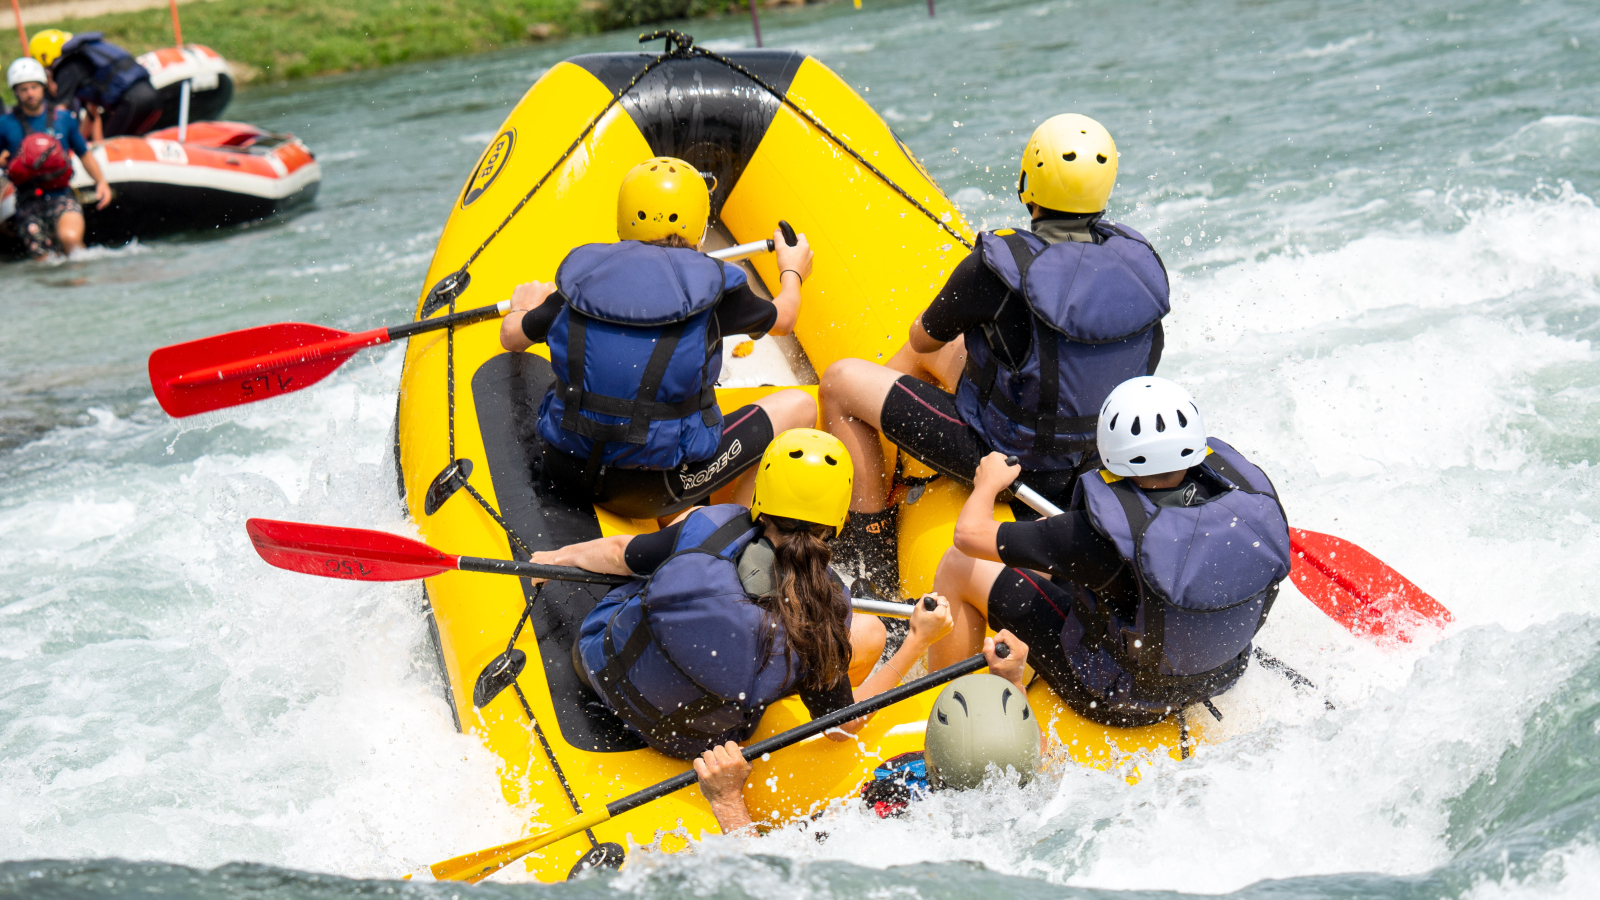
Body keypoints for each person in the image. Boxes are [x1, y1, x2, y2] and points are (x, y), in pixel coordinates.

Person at [818, 114, 1170, 590]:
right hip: (1095, 456)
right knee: (973, 351)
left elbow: (923, 339)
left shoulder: (997, 267)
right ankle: (894, 465)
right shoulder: (1138, 259)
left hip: (1012, 458)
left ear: (1028, 181)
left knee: (841, 381)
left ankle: (869, 556)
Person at [542, 428, 958, 759]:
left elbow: (618, 554)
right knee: (869, 634)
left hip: (598, 666)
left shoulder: (712, 524)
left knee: (681, 539)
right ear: (836, 520)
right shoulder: (828, 612)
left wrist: (556, 558)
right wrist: (919, 638)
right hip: (684, 743)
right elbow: (841, 726)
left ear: (763, 495)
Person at [925, 376, 1293, 727]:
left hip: (1117, 696)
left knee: (960, 565)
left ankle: (945, 713)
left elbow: (968, 536)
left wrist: (987, 485)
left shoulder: (1090, 536)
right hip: (1219, 677)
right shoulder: (1249, 501)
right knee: (1050, 548)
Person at [501, 156, 818, 520]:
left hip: (568, 471)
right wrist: (792, 268)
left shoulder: (581, 281)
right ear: (699, 231)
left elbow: (512, 336)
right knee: (800, 405)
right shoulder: (717, 290)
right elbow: (785, 317)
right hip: (655, 490)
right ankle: (730, 530)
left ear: (623, 222)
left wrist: (526, 306)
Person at [694, 633, 1039, 833]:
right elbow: (1041, 759)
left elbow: (767, 888)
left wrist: (727, 802)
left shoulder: (892, 822)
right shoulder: (1044, 800)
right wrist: (1012, 683)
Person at [1, 57, 111, 260]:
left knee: (70, 239)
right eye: (23, 89)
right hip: (27, 202)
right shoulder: (5, 125)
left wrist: (101, 182)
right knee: (43, 260)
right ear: (15, 92)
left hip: (62, 196)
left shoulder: (64, 119)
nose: (29, 93)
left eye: (34, 87)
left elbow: (83, 153)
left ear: (43, 87)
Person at [29, 30, 161, 139]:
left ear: (45, 57)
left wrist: (64, 148)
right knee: (128, 142)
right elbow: (92, 111)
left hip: (132, 103)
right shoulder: (87, 57)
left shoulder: (67, 68)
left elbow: (60, 113)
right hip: (154, 98)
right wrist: (88, 146)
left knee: (112, 145)